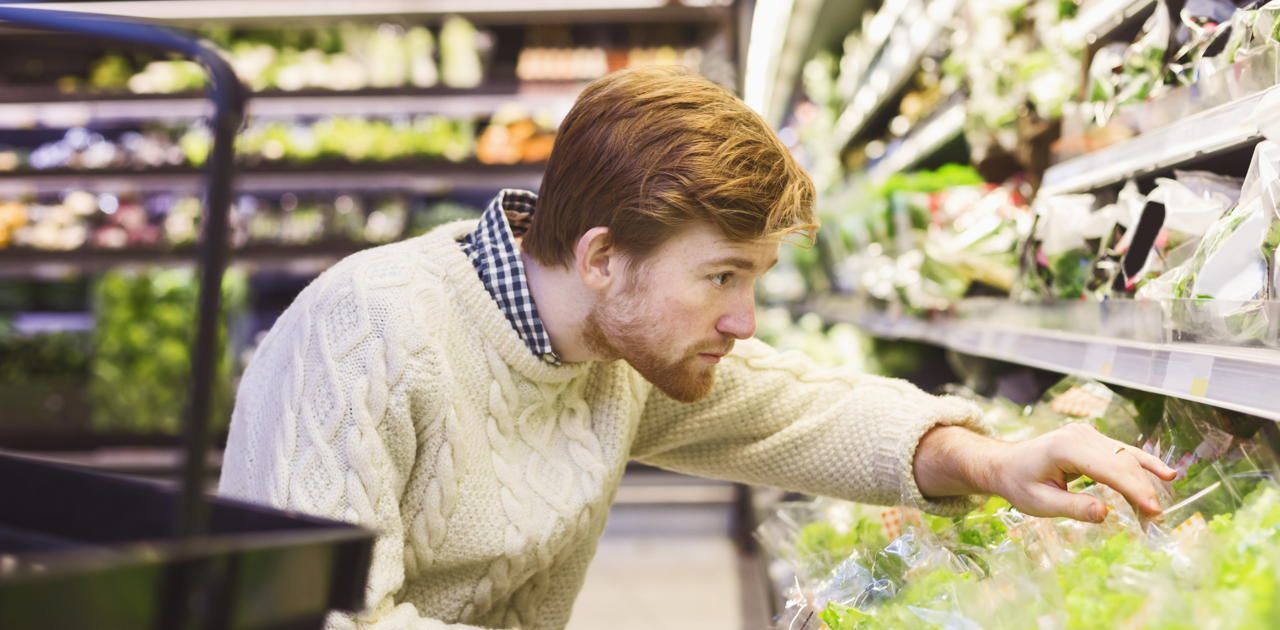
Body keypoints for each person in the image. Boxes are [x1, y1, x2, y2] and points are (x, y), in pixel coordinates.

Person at [218, 66, 1176, 630]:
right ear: (602, 257)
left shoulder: (617, 350)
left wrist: (998, 460)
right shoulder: (366, 338)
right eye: (722, 277)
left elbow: (804, 410)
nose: (745, 319)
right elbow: (313, 621)